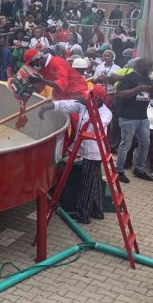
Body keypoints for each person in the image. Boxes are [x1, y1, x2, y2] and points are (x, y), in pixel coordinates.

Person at [39, 85, 112, 223]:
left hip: (93, 151)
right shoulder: (84, 105)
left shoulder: (106, 113)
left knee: (87, 183)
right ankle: (97, 210)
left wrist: (90, 108)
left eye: (90, 98)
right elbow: (67, 105)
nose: (86, 100)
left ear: (98, 100)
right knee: (94, 181)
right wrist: (48, 107)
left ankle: (83, 215)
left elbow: (97, 126)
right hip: (81, 146)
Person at [114, 57, 153, 183]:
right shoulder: (129, 78)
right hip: (128, 116)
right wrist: (137, 89)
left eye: (150, 66)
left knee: (145, 143)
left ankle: (139, 169)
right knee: (125, 145)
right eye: (147, 66)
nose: (149, 69)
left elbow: (150, 94)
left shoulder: (147, 78)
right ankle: (119, 170)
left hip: (142, 117)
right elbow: (121, 94)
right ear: (139, 66)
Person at [23, 48, 88, 100]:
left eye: (31, 64)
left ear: (37, 59)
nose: (32, 67)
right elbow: (39, 89)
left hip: (77, 94)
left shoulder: (57, 62)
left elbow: (62, 84)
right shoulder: (41, 69)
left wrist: (41, 80)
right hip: (60, 96)